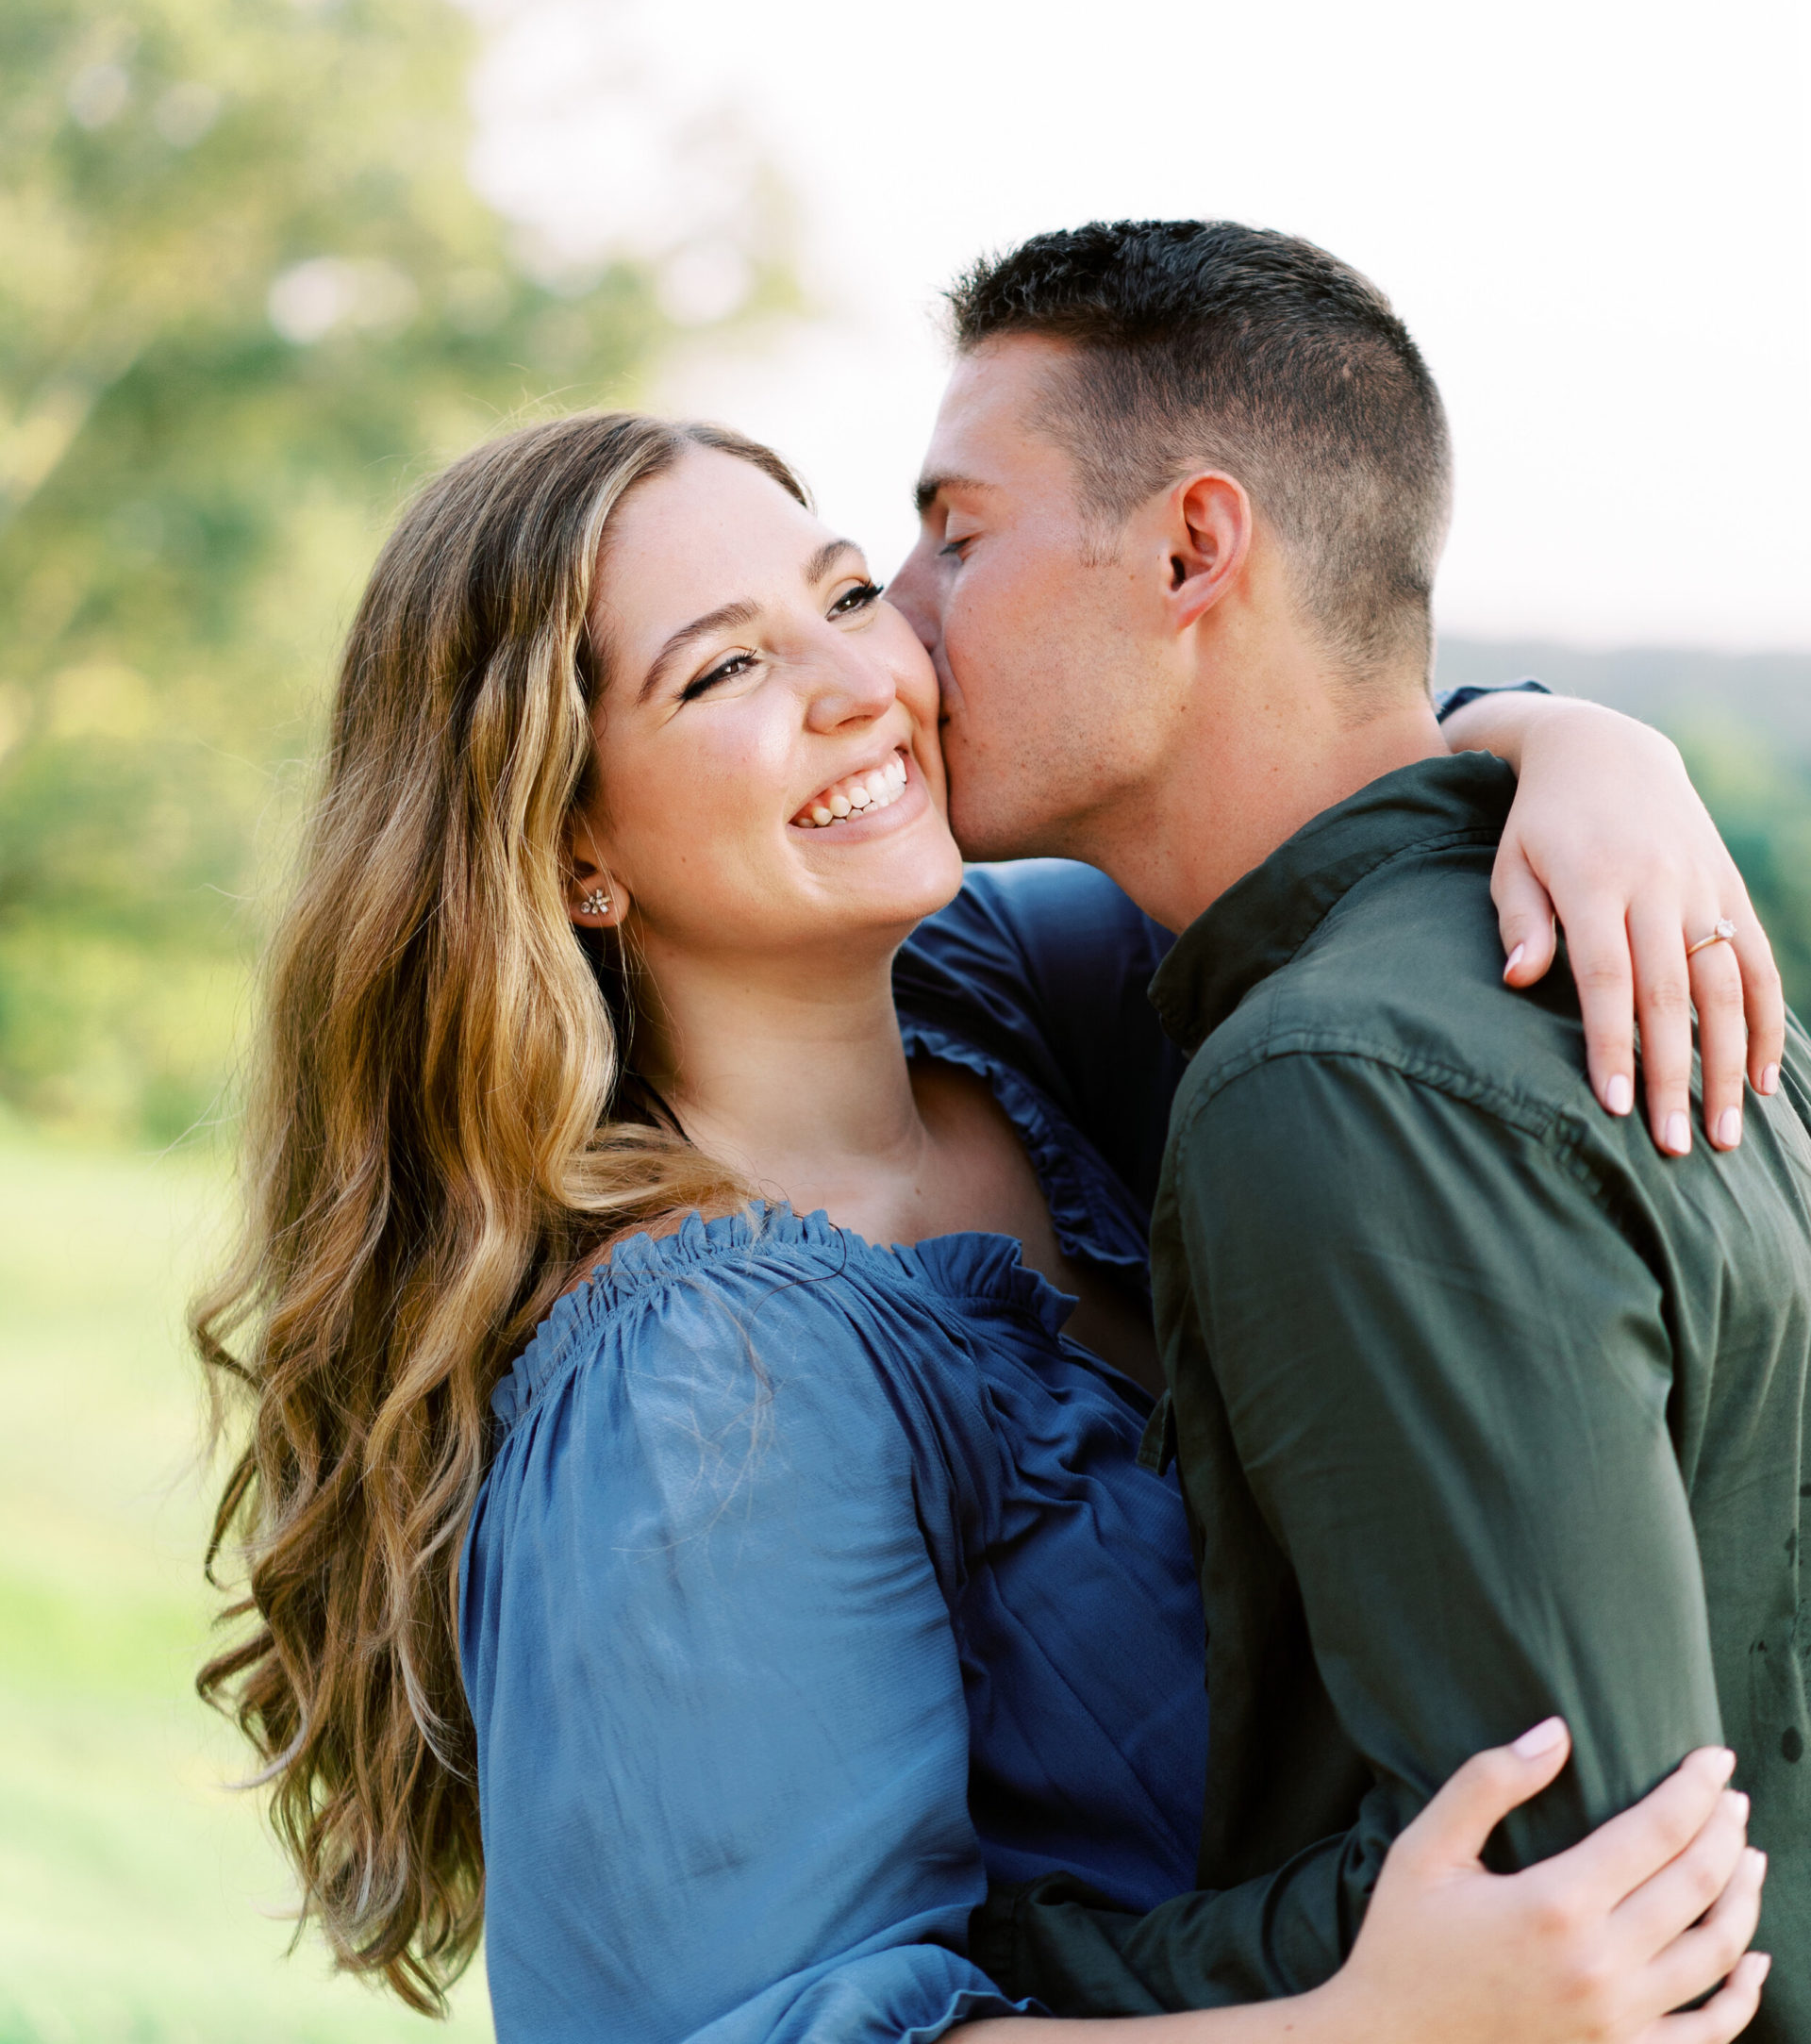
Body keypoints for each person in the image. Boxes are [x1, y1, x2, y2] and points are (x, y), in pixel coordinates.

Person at [195, 406, 1771, 2044]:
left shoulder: (994, 995)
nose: (860, 684)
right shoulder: (693, 1385)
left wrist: (1574, 749)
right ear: (573, 840)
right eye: (724, 672)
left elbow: (1290, 805)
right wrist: (1380, 2024)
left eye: (848, 596)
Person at [884, 219, 1809, 2040]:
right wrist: (1557, 733)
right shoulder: (1597, 934)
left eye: (957, 533)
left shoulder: (1337, 1078)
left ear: (1192, 546)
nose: (902, 622)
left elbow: (1572, 1899)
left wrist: (947, 1978)